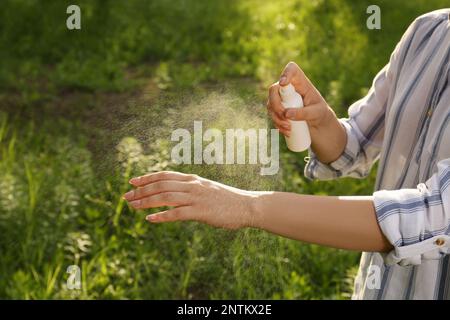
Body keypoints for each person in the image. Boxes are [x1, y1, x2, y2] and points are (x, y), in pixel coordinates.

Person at [124, 9, 450, 299]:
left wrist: (247, 206)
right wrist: (318, 120)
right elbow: (356, 145)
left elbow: (429, 217)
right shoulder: (427, 33)